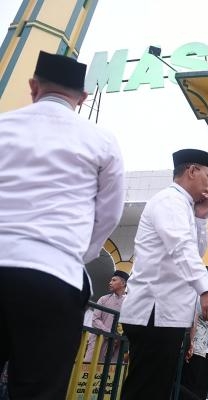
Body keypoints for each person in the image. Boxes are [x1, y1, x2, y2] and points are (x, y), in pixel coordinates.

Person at [0, 50, 124, 399]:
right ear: (83, 98)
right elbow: (110, 214)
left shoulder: (3, 125)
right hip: (53, 277)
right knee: (39, 389)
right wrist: (75, 254)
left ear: (33, 86)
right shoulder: (101, 140)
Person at [119, 149, 208, 400]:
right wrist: (207, 289)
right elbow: (181, 248)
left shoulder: (184, 206)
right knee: (145, 390)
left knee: (155, 389)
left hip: (166, 315)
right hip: (154, 312)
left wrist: (201, 218)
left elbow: (195, 252)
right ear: (192, 171)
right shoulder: (170, 201)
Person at [85, 270, 130, 363]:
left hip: (116, 345)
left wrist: (118, 337)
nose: (110, 283)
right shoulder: (103, 299)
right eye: (110, 280)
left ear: (123, 283)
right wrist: (110, 333)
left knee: (110, 372)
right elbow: (95, 320)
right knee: (88, 369)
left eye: (113, 280)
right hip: (99, 340)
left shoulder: (129, 303)